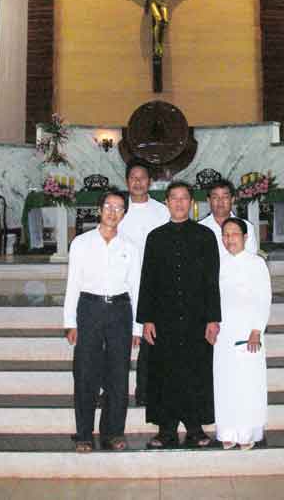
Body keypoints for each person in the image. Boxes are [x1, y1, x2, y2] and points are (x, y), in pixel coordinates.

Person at [137, 180, 221, 448]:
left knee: (195, 371)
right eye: (174, 198)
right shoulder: (155, 237)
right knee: (165, 373)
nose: (179, 202)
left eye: (184, 198)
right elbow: (147, 280)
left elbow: (212, 281)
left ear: (192, 203)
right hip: (164, 318)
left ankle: (195, 428)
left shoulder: (205, 236)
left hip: (197, 317)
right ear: (167, 203)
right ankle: (166, 430)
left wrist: (213, 318)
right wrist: (147, 319)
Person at [63, 188, 142, 452]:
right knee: (86, 373)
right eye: (108, 206)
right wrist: (70, 322)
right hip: (90, 308)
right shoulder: (81, 243)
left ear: (124, 214)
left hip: (120, 310)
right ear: (99, 210)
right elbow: (73, 283)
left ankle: (113, 432)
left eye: (118, 208)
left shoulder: (130, 247)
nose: (112, 212)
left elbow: (136, 287)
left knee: (118, 375)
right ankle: (84, 434)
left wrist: (137, 327)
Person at [213, 217, 272, 451]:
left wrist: (257, 329)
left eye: (234, 234)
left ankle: (247, 432)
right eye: (225, 235)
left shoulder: (256, 263)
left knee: (248, 383)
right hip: (224, 333)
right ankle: (227, 431)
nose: (229, 239)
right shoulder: (219, 263)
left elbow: (264, 298)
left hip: (249, 332)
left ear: (245, 237)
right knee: (225, 382)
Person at [118, 159, 170, 405]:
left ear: (150, 181)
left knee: (151, 341)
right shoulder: (118, 210)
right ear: (127, 181)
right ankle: (113, 391)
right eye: (133, 178)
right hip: (122, 285)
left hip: (154, 285)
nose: (137, 182)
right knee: (118, 342)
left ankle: (146, 392)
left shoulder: (162, 211)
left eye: (142, 178)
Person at [199, 179, 258, 259]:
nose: (220, 201)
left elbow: (251, 258)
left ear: (232, 199)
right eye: (215, 197)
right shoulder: (199, 228)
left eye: (225, 197)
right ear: (209, 200)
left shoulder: (247, 227)